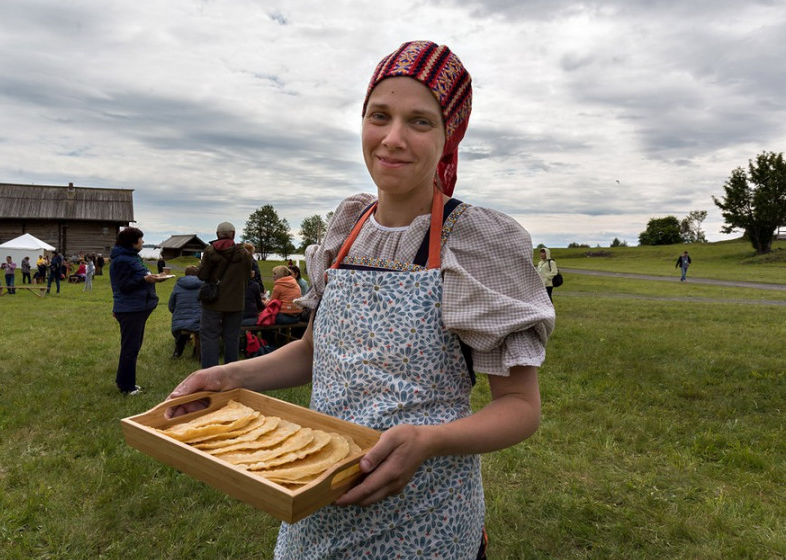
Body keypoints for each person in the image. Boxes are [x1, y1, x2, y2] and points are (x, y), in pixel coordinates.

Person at [164, 41, 554, 559]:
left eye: (419, 121)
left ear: (448, 136)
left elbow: (520, 407)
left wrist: (428, 441)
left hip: (426, 518)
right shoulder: (347, 229)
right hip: (316, 491)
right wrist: (230, 375)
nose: (392, 139)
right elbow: (311, 352)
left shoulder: (474, 241)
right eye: (379, 116)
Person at [110, 227, 167, 394]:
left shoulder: (132, 258)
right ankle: (127, 387)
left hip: (138, 308)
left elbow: (138, 279)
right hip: (130, 309)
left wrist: (153, 278)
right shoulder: (122, 261)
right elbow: (123, 286)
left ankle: (125, 382)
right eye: (140, 239)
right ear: (132, 242)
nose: (142, 242)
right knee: (130, 349)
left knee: (133, 347)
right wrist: (144, 280)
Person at [197, 221, 253, 369]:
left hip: (213, 301)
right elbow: (247, 277)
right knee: (232, 338)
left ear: (217, 235)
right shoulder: (245, 254)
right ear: (233, 235)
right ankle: (230, 373)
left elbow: (202, 275)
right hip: (235, 302)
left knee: (209, 337)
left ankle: (209, 373)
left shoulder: (210, 252)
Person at [169, 265, 203, 358]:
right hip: (199, 319)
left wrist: (177, 313)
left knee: (183, 327)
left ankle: (177, 352)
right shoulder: (203, 285)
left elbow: (171, 305)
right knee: (197, 326)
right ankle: (197, 350)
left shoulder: (178, 285)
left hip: (181, 320)